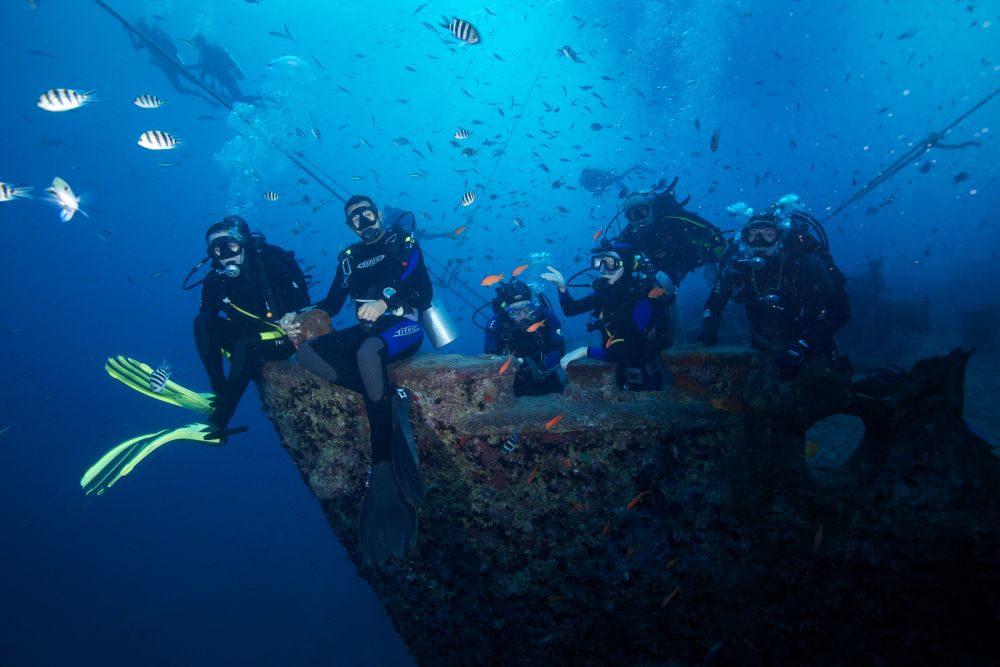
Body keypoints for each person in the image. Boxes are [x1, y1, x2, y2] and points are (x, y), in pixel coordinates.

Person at [281, 195, 432, 568]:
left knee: (367, 355)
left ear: (377, 214)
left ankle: (382, 464)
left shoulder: (402, 242)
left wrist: (385, 302)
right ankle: (386, 395)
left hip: (405, 326)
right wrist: (294, 315)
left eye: (366, 213)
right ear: (349, 226)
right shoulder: (348, 259)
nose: (362, 220)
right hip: (368, 332)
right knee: (308, 353)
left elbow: (424, 293)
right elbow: (330, 304)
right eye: (354, 218)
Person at [696, 202, 851, 379]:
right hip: (761, 341)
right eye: (753, 235)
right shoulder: (738, 265)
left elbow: (841, 309)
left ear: (780, 237)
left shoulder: (804, 262)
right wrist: (708, 331)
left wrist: (804, 345)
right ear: (744, 238)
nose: (759, 241)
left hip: (810, 341)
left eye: (768, 234)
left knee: (821, 386)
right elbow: (714, 303)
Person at [194, 215, 310, 437]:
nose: (226, 254)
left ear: (242, 243)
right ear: (211, 254)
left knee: (245, 346)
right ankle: (219, 390)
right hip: (246, 336)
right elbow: (207, 323)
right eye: (217, 250)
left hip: (281, 336)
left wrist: (291, 315)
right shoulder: (214, 280)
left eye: (231, 245)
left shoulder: (267, 263)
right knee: (202, 322)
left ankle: (221, 419)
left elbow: (301, 299)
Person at [542, 242, 675, 391]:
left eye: (611, 264)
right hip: (618, 374)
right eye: (600, 263)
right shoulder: (605, 295)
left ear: (627, 266)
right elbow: (571, 310)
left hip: (645, 378)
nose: (604, 270)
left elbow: (630, 351)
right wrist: (562, 287)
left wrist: (585, 351)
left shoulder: (642, 300)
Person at [616, 180, 726, 287]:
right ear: (628, 218)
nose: (639, 217)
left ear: (650, 208)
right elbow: (614, 256)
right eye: (633, 215)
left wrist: (711, 256)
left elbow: (712, 232)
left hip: (687, 257)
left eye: (642, 211)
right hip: (660, 271)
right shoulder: (629, 234)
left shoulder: (672, 218)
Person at [484, 280, 566, 397]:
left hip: (546, 375)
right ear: (507, 312)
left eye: (527, 308)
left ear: (534, 306)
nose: (522, 315)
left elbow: (560, 349)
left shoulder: (546, 316)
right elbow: (490, 357)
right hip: (513, 382)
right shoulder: (495, 324)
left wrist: (543, 369)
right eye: (515, 311)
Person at [127, 17, 217, 105]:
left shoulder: (157, 32)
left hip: (174, 62)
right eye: (141, 28)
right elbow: (136, 47)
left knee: (192, 80)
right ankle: (198, 93)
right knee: (180, 90)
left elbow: (172, 47)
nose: (143, 29)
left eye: (143, 27)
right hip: (165, 66)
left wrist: (181, 63)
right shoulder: (144, 39)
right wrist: (130, 32)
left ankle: (213, 90)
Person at [188, 34, 259, 105]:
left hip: (227, 78)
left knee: (239, 99)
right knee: (239, 99)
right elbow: (206, 67)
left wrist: (188, 68)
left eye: (196, 43)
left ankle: (261, 98)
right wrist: (201, 78)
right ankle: (258, 104)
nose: (196, 45)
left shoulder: (208, 51)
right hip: (226, 78)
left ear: (201, 42)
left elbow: (204, 66)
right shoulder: (208, 51)